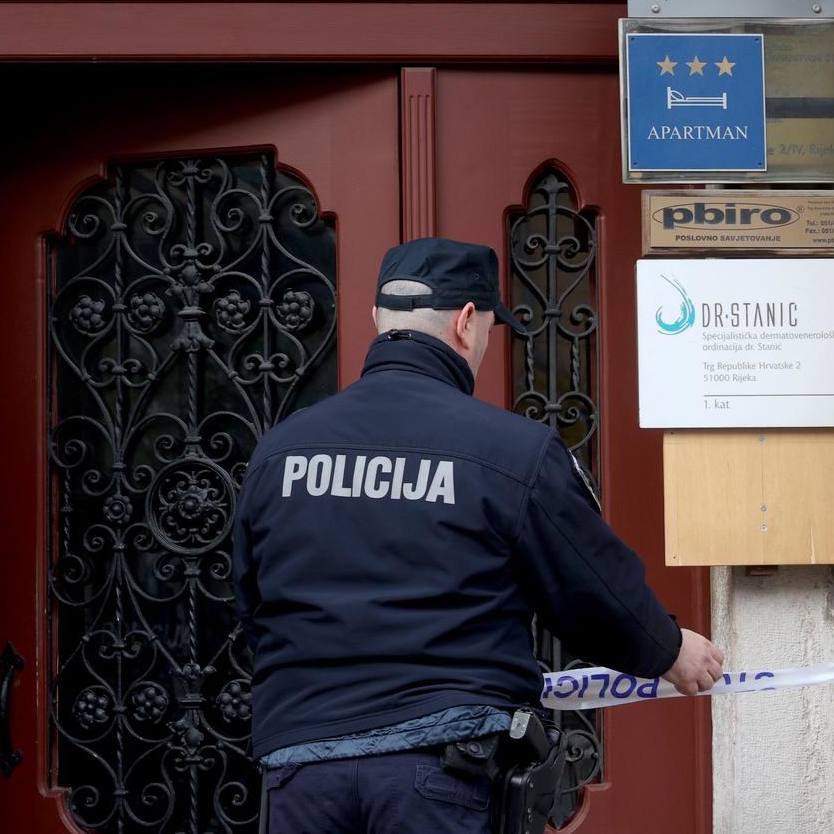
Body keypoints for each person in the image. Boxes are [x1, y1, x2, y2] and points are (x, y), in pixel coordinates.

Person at [231, 237, 724, 834]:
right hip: (439, 773)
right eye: (490, 328)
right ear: (467, 322)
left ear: (377, 318)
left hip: (303, 771)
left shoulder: (280, 451)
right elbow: (589, 588)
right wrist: (668, 650)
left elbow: (252, 602)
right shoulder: (510, 450)